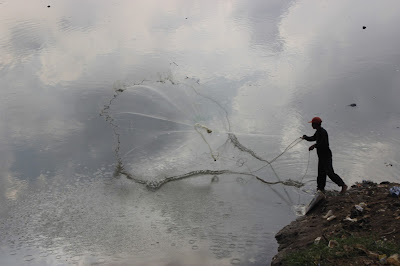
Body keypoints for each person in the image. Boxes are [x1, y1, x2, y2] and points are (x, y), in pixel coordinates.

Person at [302, 117, 347, 194]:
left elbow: (323, 144)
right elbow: (313, 138)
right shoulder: (318, 131)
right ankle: (320, 189)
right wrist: (305, 137)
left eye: (312, 124)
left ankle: (343, 185)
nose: (312, 125)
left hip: (326, 156)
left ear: (316, 124)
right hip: (321, 156)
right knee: (321, 173)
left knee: (330, 173)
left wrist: (314, 146)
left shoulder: (323, 132)